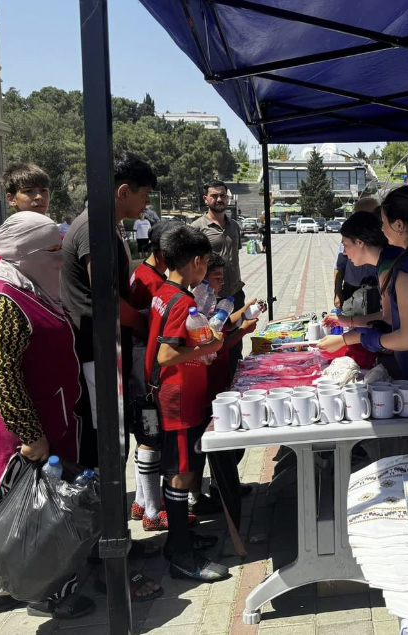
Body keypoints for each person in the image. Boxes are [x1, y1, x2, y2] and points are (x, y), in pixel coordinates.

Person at [0, 212, 95, 618]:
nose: (61, 258)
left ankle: (10, 585)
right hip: (18, 431)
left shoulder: (31, 287)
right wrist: (30, 434)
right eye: (53, 250)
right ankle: (40, 592)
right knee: (26, 515)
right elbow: (0, 378)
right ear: (24, 254)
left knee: (24, 514)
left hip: (48, 417)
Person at [146, 225, 229, 581]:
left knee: (184, 467)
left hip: (178, 393)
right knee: (181, 473)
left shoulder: (165, 291)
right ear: (197, 261)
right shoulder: (183, 301)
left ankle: (179, 539)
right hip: (178, 397)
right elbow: (166, 354)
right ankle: (180, 554)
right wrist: (209, 347)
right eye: (207, 263)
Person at [61, 152, 154, 467]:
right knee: (105, 439)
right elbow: (105, 299)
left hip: (107, 347)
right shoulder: (94, 229)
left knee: (113, 432)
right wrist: (145, 322)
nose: (146, 204)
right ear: (123, 191)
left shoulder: (107, 225)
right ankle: (102, 510)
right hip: (96, 352)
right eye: (144, 195)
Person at [317, 187, 408, 390]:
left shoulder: (405, 269)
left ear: (398, 225)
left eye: (383, 223)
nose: (381, 230)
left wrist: (374, 339)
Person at [193, 254, 261, 516]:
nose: (221, 283)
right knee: (208, 443)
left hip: (220, 382)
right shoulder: (198, 309)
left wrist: (243, 326)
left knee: (231, 442)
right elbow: (213, 348)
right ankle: (202, 493)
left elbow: (220, 346)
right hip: (206, 388)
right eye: (217, 278)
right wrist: (240, 328)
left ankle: (219, 485)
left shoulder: (213, 306)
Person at [128, 220, 177, 529]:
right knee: (150, 433)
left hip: (142, 360)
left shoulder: (151, 273)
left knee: (146, 435)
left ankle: (143, 501)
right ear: (163, 255)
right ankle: (152, 512)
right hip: (143, 364)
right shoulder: (149, 281)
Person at [191, 181, 245, 379]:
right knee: (213, 348)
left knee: (235, 344)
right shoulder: (197, 227)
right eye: (214, 196)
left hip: (234, 295)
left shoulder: (234, 226)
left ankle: (235, 381)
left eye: (222, 195)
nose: (219, 199)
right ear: (205, 199)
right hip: (210, 301)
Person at [0, 163, 51, 269]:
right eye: (28, 191)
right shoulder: (5, 243)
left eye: (43, 190)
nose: (39, 197)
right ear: (11, 199)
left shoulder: (59, 239)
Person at [333, 197, 380, 309]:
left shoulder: (387, 265)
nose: (345, 251)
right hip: (351, 289)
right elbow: (339, 266)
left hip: (376, 290)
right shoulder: (349, 237)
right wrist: (337, 292)